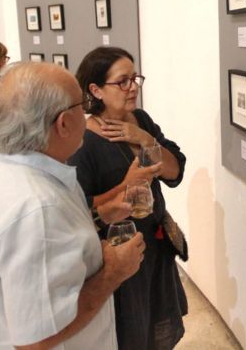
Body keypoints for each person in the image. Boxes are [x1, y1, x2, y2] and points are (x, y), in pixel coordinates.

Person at [0, 61, 145, 349]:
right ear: (64, 123)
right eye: (81, 105)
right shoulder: (37, 207)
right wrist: (113, 272)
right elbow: (37, 338)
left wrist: (99, 215)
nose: (87, 113)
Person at [68, 46, 188, 350]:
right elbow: (78, 207)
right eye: (123, 81)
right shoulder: (83, 142)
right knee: (131, 333)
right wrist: (127, 184)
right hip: (120, 252)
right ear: (95, 89)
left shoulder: (141, 120)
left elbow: (174, 172)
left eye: (135, 78)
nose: (132, 87)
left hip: (156, 246)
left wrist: (145, 140)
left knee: (159, 329)